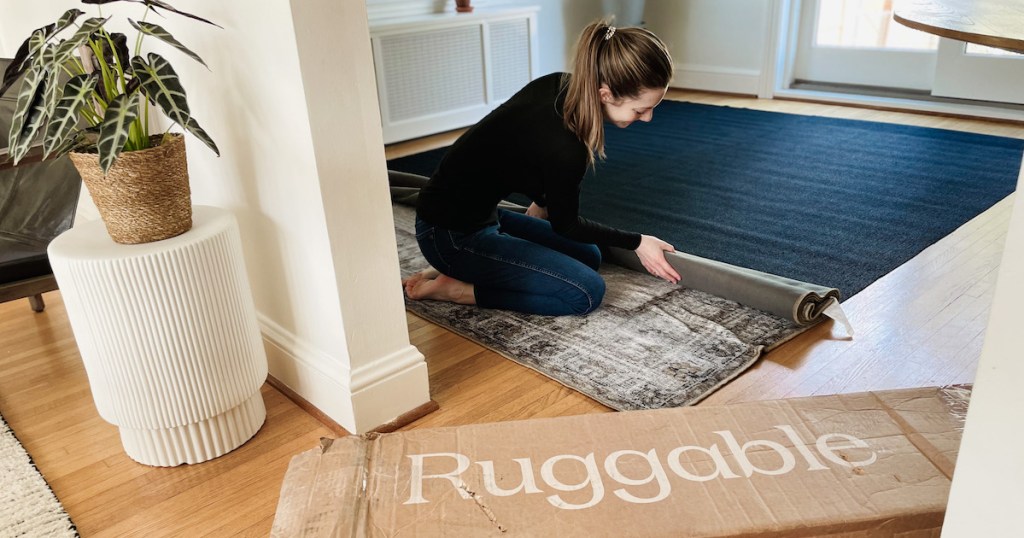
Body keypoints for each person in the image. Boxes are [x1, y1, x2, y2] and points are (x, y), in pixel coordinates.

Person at [403, 20, 680, 316]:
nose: (648, 118)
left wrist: (541, 200)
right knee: (585, 292)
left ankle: (480, 263)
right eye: (641, 109)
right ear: (606, 94)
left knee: (588, 255)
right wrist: (637, 242)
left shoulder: (559, 84)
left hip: (479, 215)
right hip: (448, 235)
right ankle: (458, 289)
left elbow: (514, 153)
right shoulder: (567, 146)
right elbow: (567, 224)